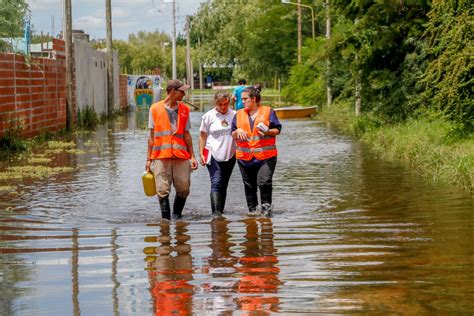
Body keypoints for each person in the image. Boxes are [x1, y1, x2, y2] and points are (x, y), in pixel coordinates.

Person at [146, 79, 198, 220]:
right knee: (162, 190)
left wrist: (192, 156)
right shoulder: (155, 109)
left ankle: (177, 216)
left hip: (181, 156)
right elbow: (151, 136)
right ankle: (166, 222)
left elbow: (187, 135)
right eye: (182, 91)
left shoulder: (185, 110)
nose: (183, 94)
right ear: (173, 91)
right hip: (161, 156)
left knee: (184, 188)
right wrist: (148, 159)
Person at [232, 86, 282, 215]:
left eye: (245, 99)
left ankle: (266, 213)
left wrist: (268, 131)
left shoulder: (268, 111)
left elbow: (277, 130)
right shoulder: (238, 114)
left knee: (264, 182)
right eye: (241, 99)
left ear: (253, 99)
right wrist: (237, 131)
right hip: (245, 157)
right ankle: (252, 214)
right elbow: (231, 133)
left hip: (266, 156)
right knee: (249, 186)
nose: (242, 102)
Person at [199, 90, 236, 216]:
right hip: (213, 153)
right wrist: (201, 154)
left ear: (229, 102)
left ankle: (221, 211)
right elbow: (202, 136)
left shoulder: (235, 115)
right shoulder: (208, 116)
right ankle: (215, 214)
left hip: (230, 155)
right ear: (215, 103)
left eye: (225, 104)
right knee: (216, 182)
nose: (223, 107)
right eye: (220, 104)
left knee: (224, 183)